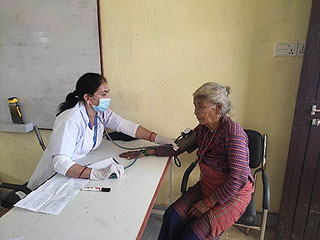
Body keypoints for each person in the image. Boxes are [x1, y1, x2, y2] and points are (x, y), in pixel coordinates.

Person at [120, 82, 254, 240]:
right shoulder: (204, 128)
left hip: (233, 195)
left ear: (218, 107)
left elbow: (238, 179)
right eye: (195, 106)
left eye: (200, 106)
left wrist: (208, 203)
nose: (195, 112)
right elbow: (179, 147)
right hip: (208, 186)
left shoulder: (233, 134)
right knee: (172, 216)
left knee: (192, 235)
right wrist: (148, 152)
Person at [27, 73, 177, 190]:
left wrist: (159, 138)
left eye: (108, 93)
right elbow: (60, 164)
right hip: (52, 179)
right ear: (88, 98)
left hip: (76, 174)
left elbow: (127, 126)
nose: (108, 98)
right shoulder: (70, 120)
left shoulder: (99, 112)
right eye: (103, 94)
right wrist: (97, 173)